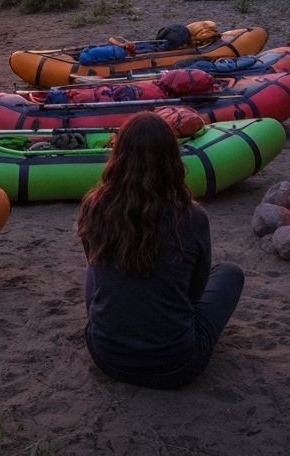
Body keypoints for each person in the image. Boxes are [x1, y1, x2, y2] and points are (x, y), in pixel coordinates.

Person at [76, 112, 244, 388]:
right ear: (172, 160)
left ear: (119, 155)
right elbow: (196, 292)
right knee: (230, 273)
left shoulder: (95, 207)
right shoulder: (191, 217)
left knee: (99, 265)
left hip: (107, 357)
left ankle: (113, 327)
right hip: (176, 365)